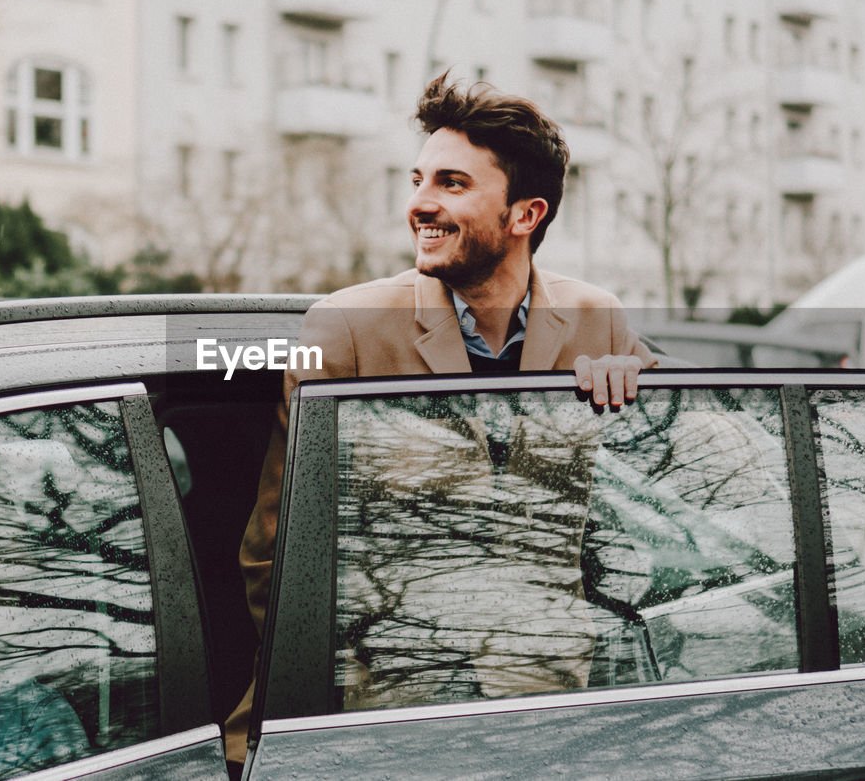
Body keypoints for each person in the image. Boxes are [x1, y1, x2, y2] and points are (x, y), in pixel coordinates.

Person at [224, 72, 658, 766]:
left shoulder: (595, 319)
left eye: (452, 183)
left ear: (525, 214)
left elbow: (666, 482)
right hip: (379, 712)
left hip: (550, 711)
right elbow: (276, 551)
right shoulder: (345, 329)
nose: (420, 204)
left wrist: (636, 378)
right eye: (418, 179)